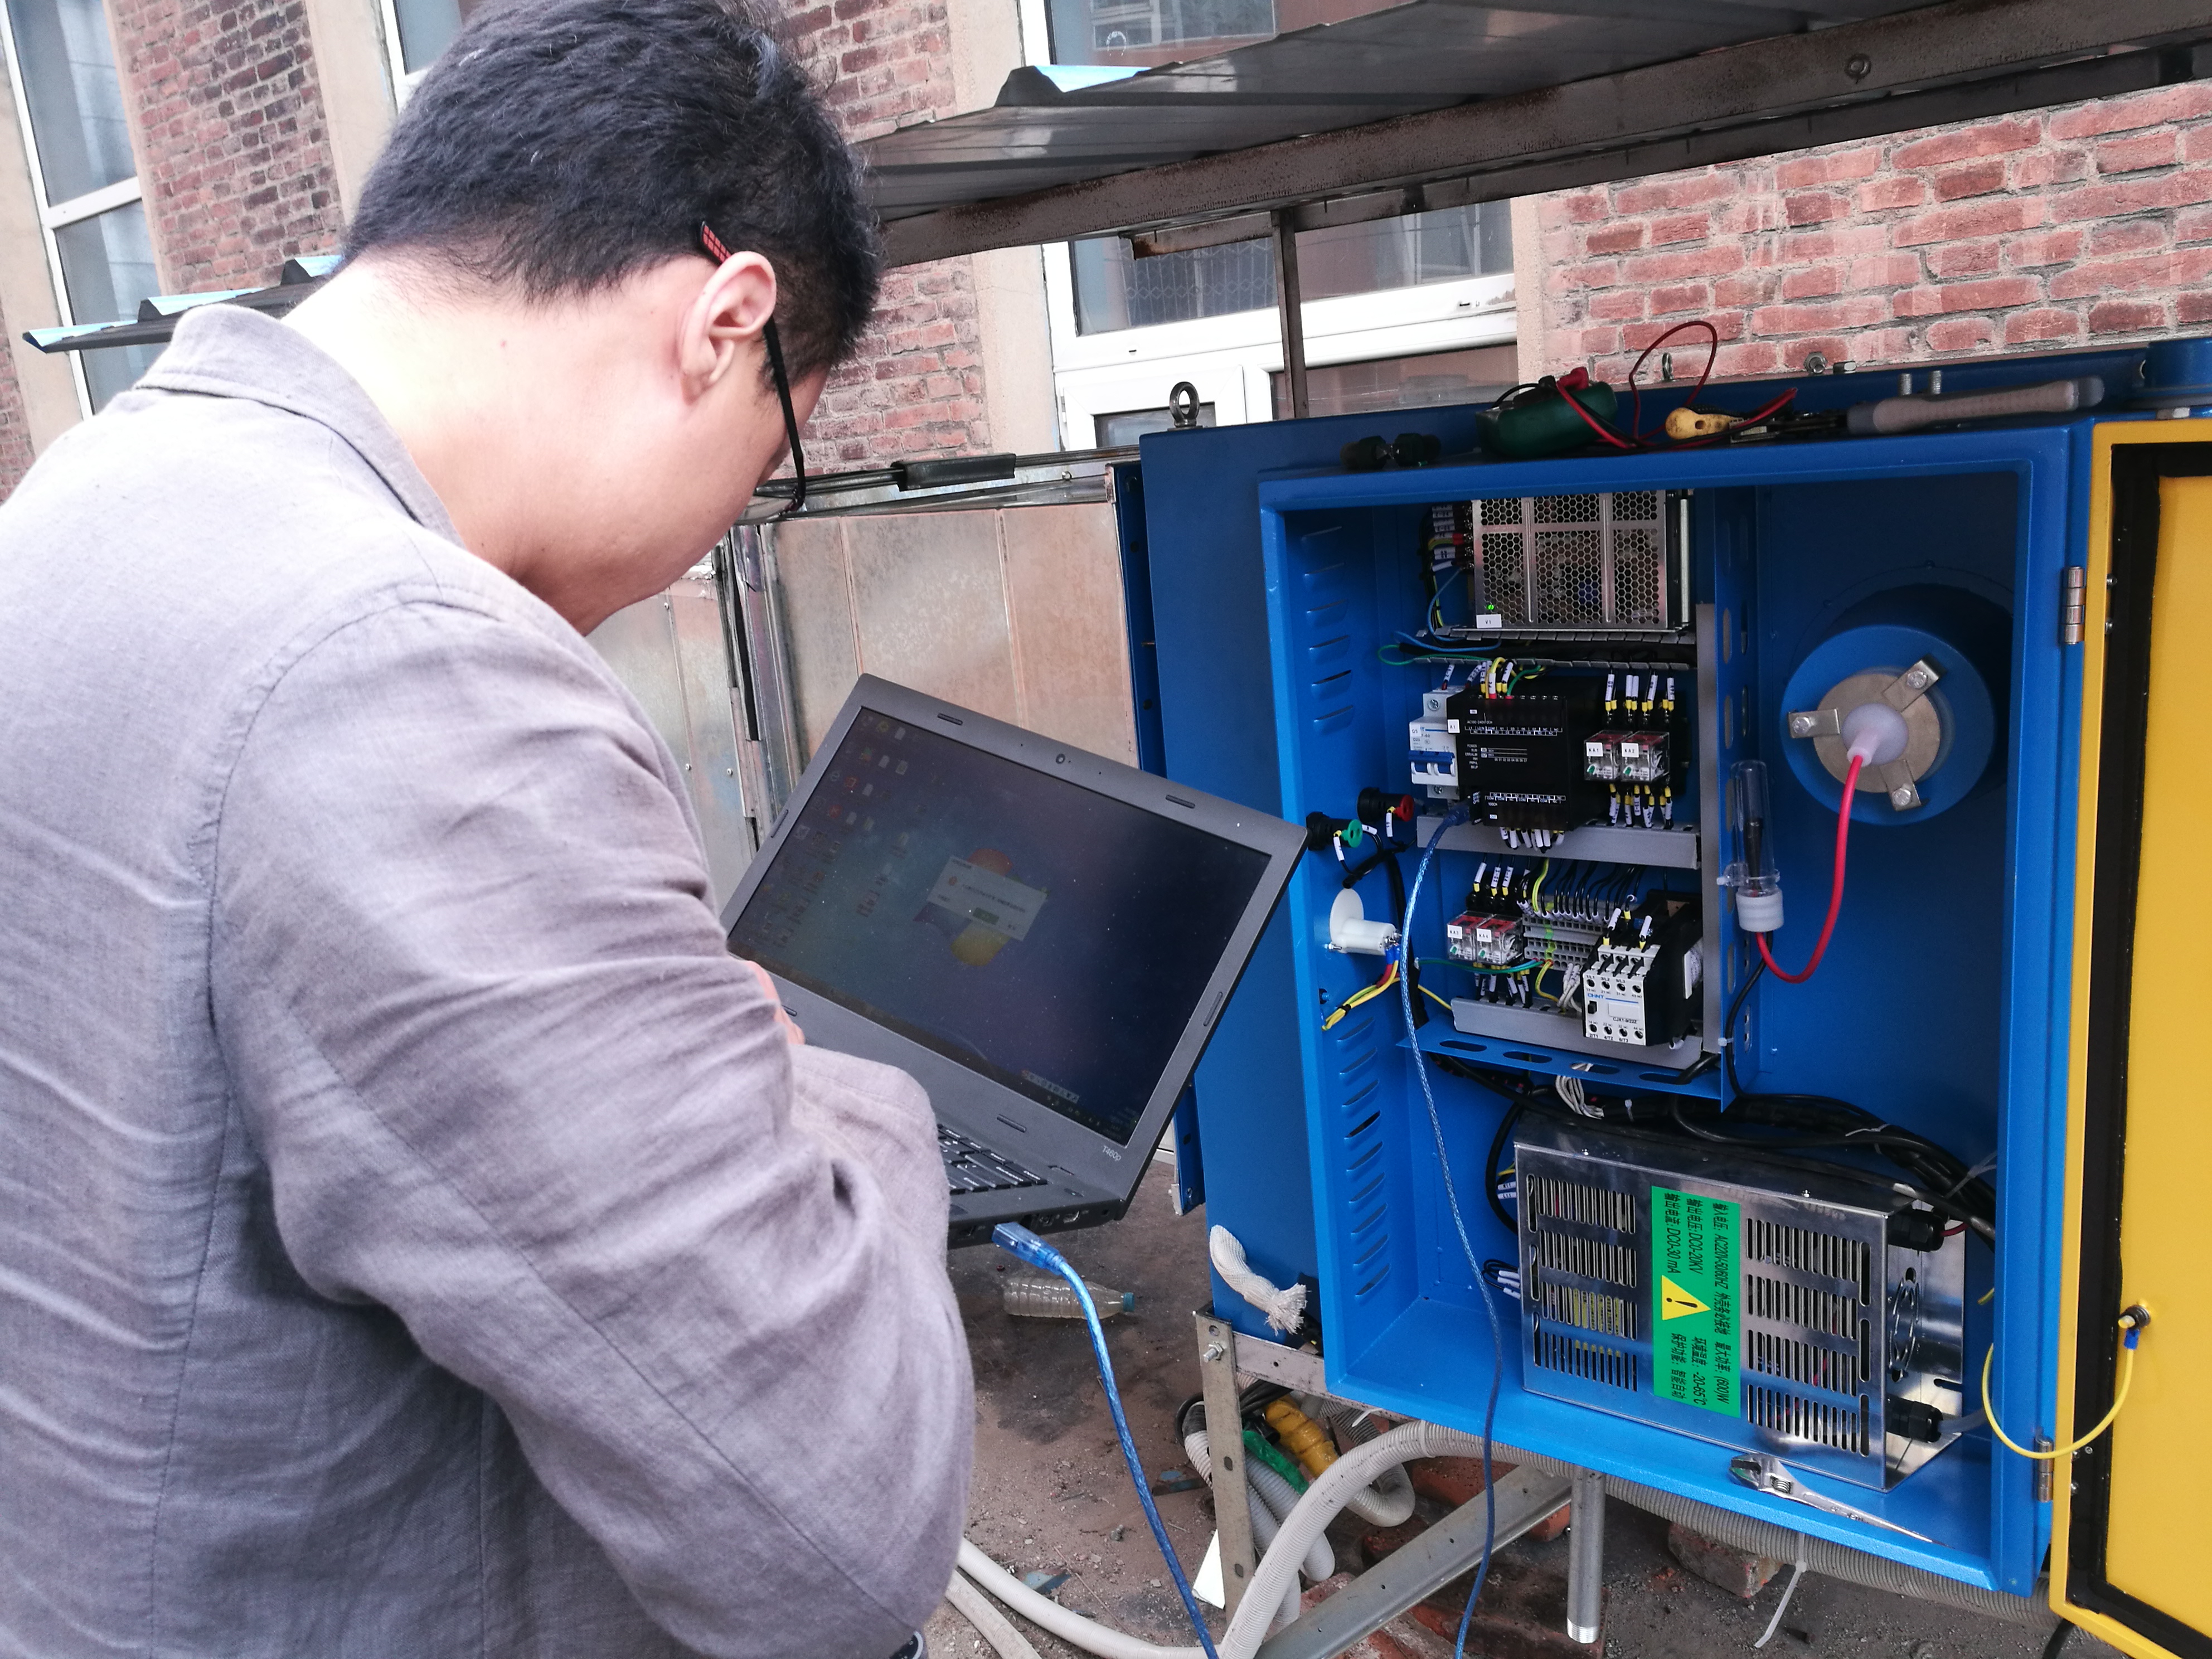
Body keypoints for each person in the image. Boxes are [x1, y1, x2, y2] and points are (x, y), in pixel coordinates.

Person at [0, 0, 972, 1654]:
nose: (720, 529)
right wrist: (837, 1099)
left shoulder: (85, 500)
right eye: (778, 455)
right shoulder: (407, 669)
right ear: (725, 321)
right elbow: (834, 1537)